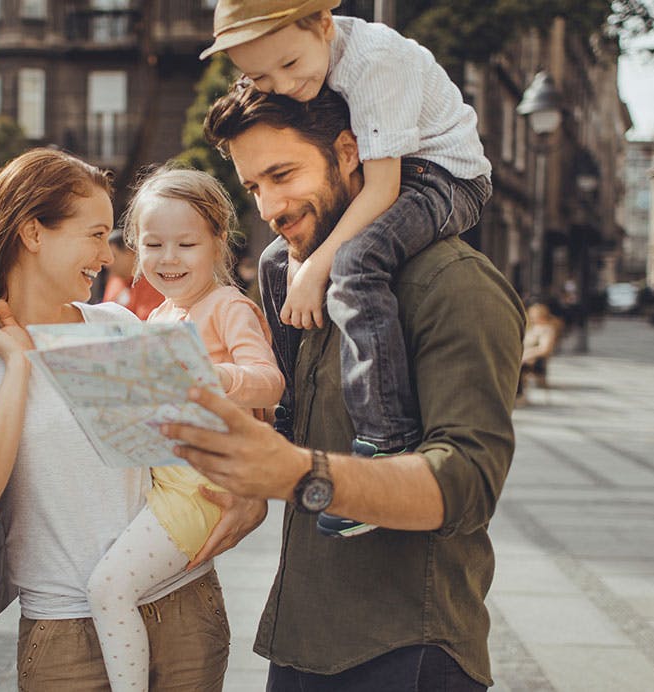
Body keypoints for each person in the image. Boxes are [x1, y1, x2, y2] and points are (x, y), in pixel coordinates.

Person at [161, 85, 523, 690]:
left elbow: (467, 482)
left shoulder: (453, 284)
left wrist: (297, 475)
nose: (270, 205)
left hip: (410, 650)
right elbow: (291, 425)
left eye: (283, 173)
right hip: (300, 642)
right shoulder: (286, 276)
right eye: (254, 187)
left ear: (350, 151)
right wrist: (250, 475)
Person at [0, 149, 242, 691]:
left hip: (183, 605)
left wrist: (245, 497)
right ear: (33, 233)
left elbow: (189, 453)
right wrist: (20, 365)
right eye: (94, 235)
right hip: (65, 630)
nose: (106, 256)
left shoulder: (114, 324)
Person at [201, 0, 493, 537]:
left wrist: (315, 270)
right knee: (272, 261)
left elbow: (383, 186)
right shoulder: (307, 73)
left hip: (443, 176)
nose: (282, 86)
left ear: (323, 24)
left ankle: (386, 437)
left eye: (288, 66)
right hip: (399, 170)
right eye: (259, 77)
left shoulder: (374, 63)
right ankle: (289, 419)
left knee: (357, 263)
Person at [86, 166, 285, 692]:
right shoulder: (159, 318)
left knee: (108, 588)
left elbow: (270, 382)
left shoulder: (227, 306)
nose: (168, 258)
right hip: (164, 480)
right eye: (153, 244)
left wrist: (213, 373)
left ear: (218, 241)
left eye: (186, 243)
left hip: (200, 490)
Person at [102, 228, 165, 320]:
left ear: (130, 252)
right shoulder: (114, 282)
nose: (107, 264)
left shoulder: (154, 281)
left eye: (113, 256)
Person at [517, 302, 559, 400]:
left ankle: (519, 395)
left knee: (518, 365)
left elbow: (544, 349)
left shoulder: (547, 329)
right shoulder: (532, 328)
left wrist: (526, 355)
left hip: (536, 360)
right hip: (526, 357)